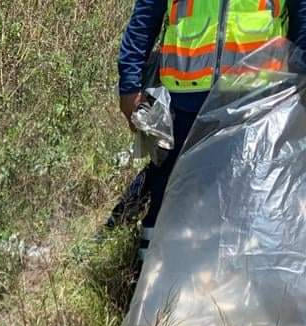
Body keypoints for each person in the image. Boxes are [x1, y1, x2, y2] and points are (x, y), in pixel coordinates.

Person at [118, 0, 306, 261]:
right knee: (170, 203)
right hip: (184, 104)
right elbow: (146, 14)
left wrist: (298, 82)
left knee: (248, 208)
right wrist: (129, 83)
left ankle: (233, 285)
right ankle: (152, 286)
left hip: (255, 102)